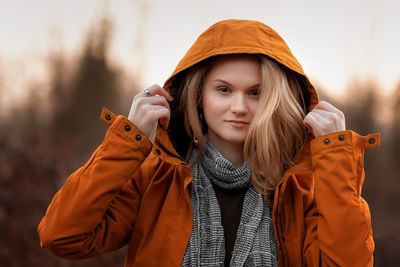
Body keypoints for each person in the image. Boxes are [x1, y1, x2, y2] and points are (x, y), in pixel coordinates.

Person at [38, 19, 380, 266]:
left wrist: (336, 159)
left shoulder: (302, 188)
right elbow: (62, 236)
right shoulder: (156, 178)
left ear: (276, 99)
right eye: (224, 89)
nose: (239, 107)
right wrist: (128, 142)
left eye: (257, 93)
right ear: (199, 95)